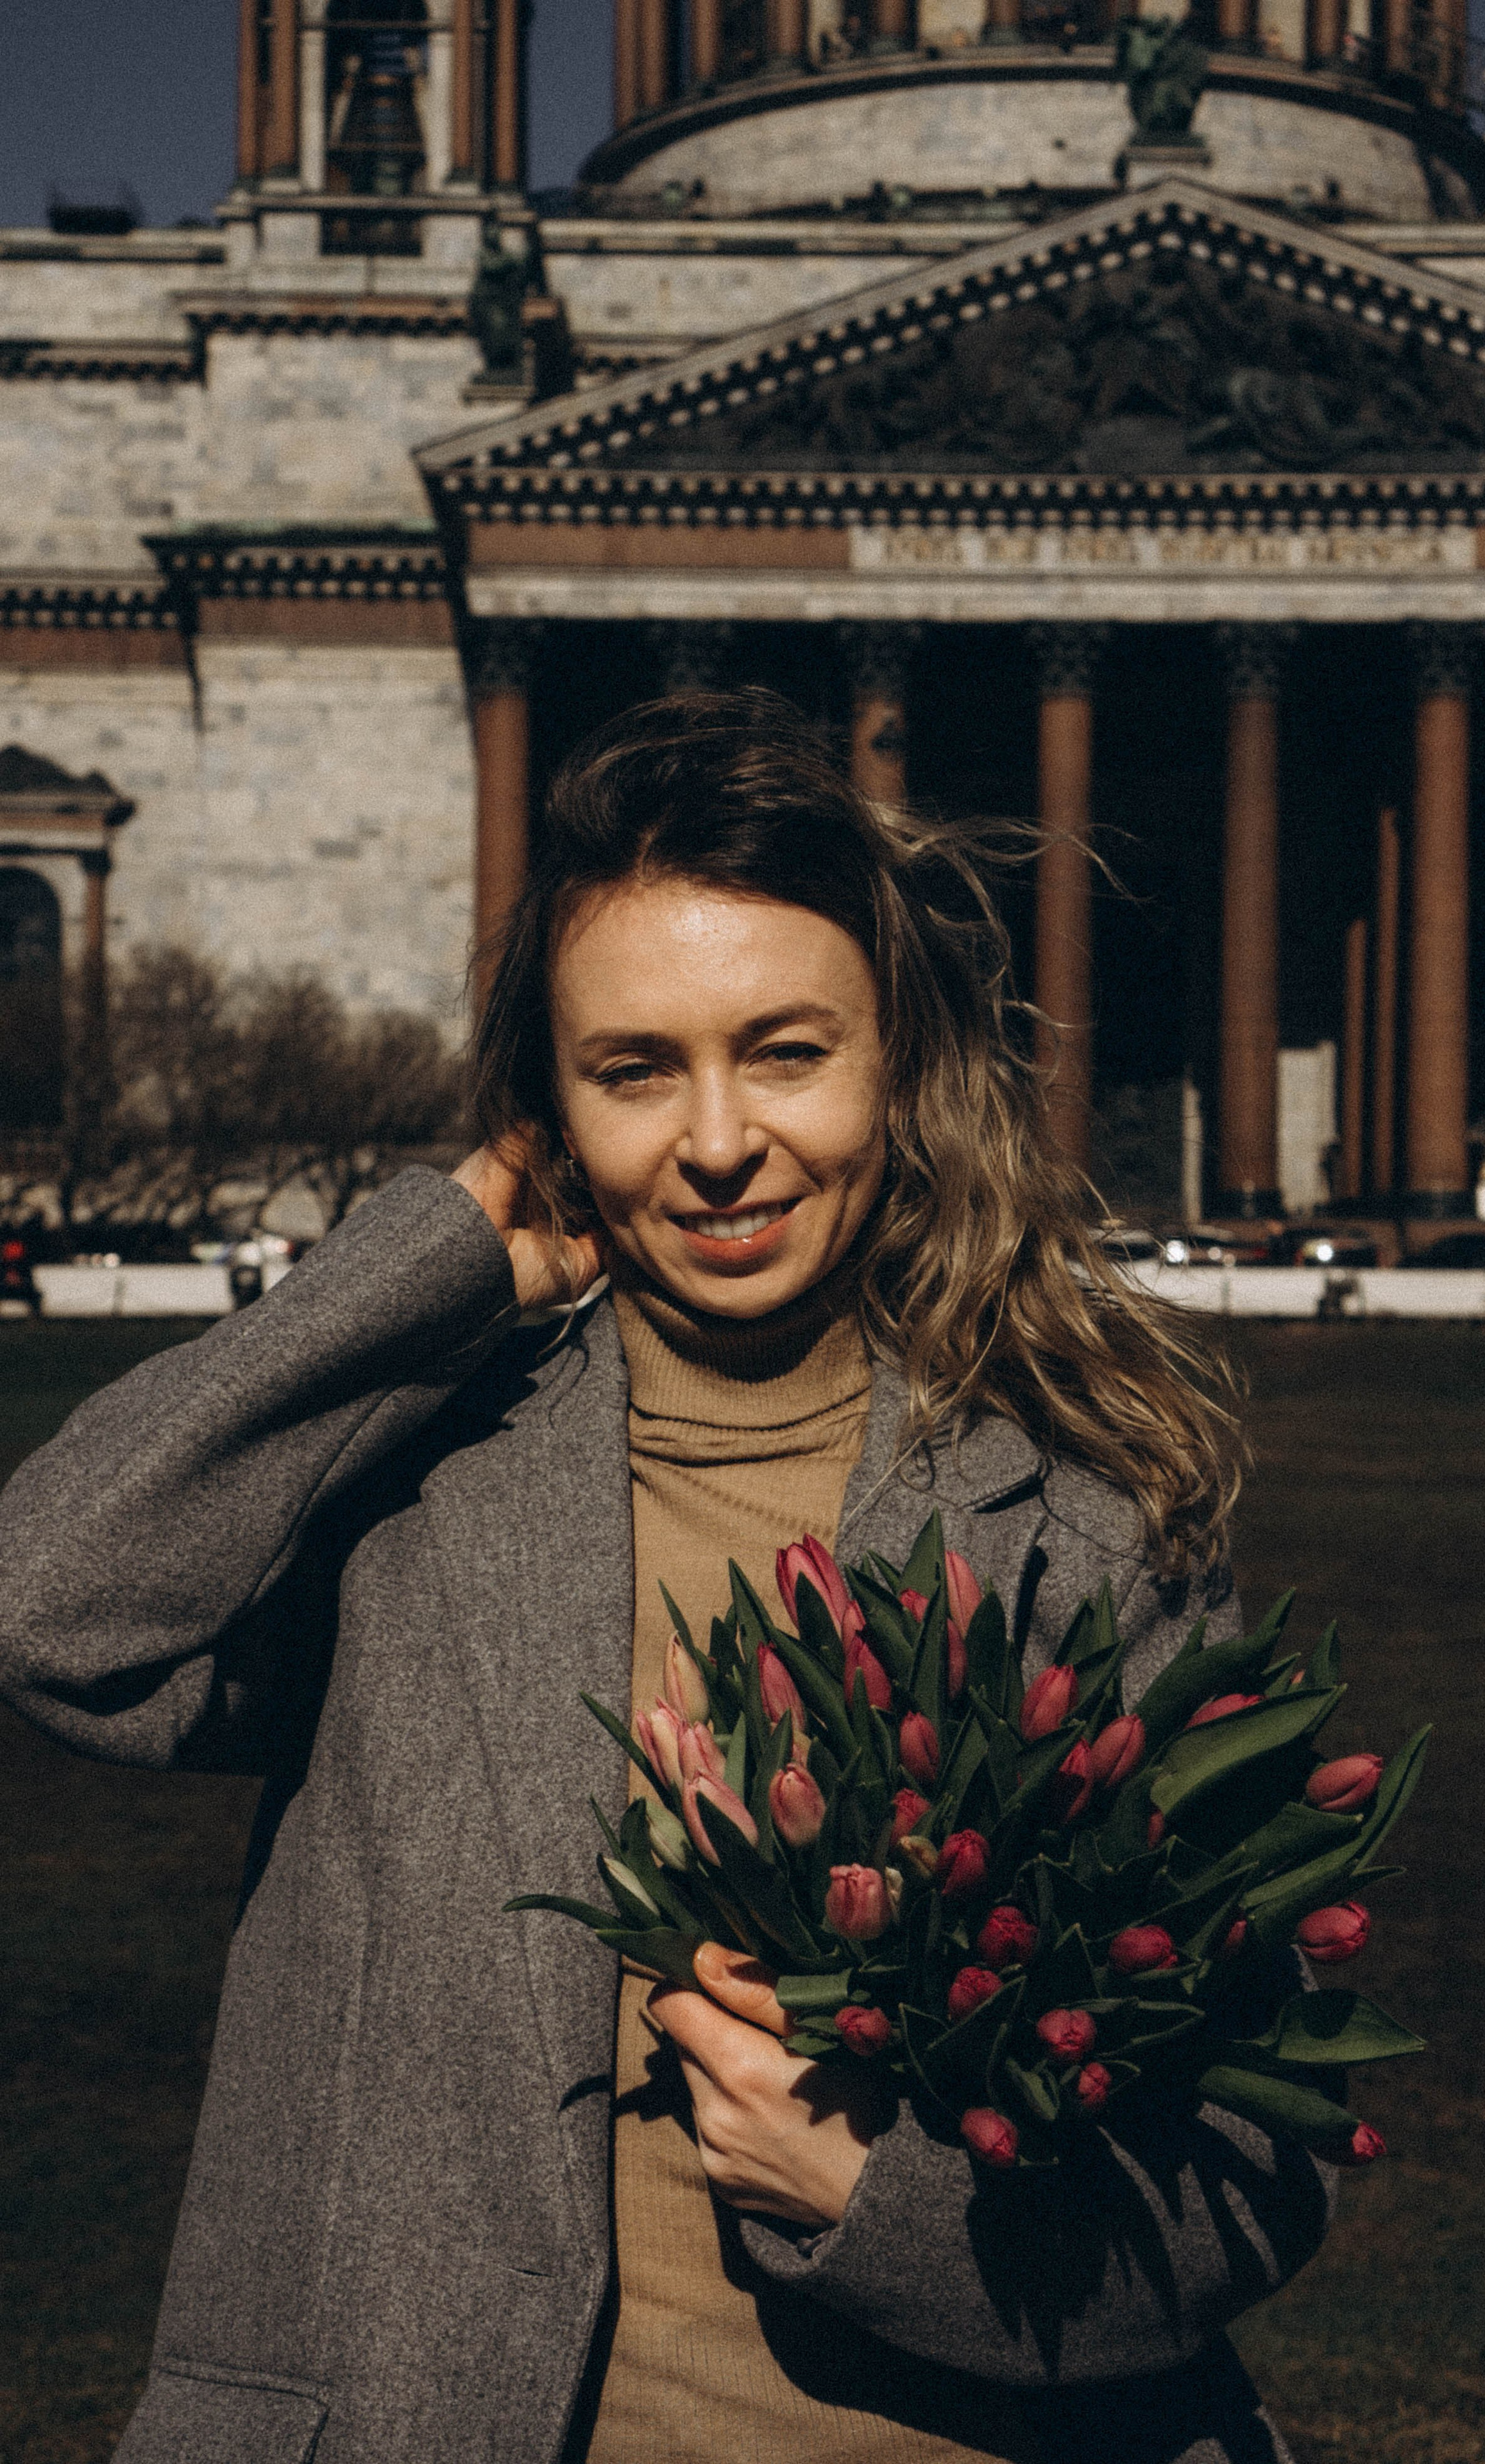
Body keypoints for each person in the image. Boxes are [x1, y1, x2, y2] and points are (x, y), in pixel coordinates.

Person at [0, 692, 1332, 2464]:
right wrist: (426, 1262)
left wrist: (876, 2197)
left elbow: (1257, 2165)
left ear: (900, 1068)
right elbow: (52, 1605)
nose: (715, 1143)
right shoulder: (413, 1492)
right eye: (634, 1070)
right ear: (549, 1108)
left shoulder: (1089, 1526)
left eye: (785, 1053)